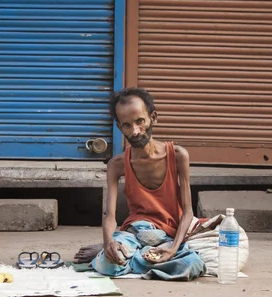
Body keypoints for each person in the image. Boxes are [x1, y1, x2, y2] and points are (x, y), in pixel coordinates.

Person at [75, 87, 205, 281]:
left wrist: (173, 249)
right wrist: (109, 242)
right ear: (119, 127)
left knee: (192, 264)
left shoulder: (177, 156)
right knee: (107, 263)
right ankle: (146, 261)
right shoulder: (116, 165)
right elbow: (110, 215)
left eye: (139, 121)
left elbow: (187, 211)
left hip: (168, 235)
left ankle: (137, 260)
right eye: (127, 125)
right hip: (134, 233)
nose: (135, 131)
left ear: (153, 117)